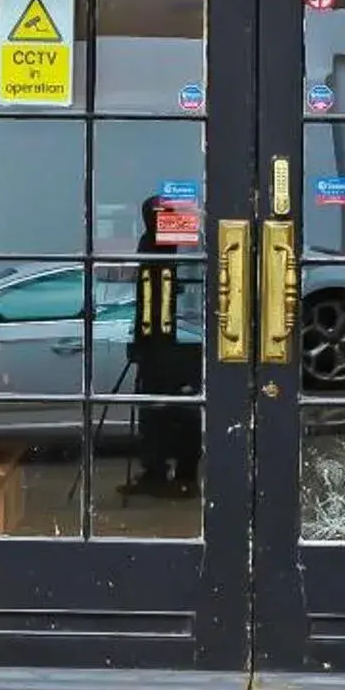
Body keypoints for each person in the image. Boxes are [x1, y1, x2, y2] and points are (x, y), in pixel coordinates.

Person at [124, 194, 202, 499]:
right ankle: (156, 473)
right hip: (159, 342)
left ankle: (183, 476)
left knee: (180, 412)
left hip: (178, 342)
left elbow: (165, 298)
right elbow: (147, 297)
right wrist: (141, 341)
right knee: (155, 412)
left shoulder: (186, 245)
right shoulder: (152, 243)